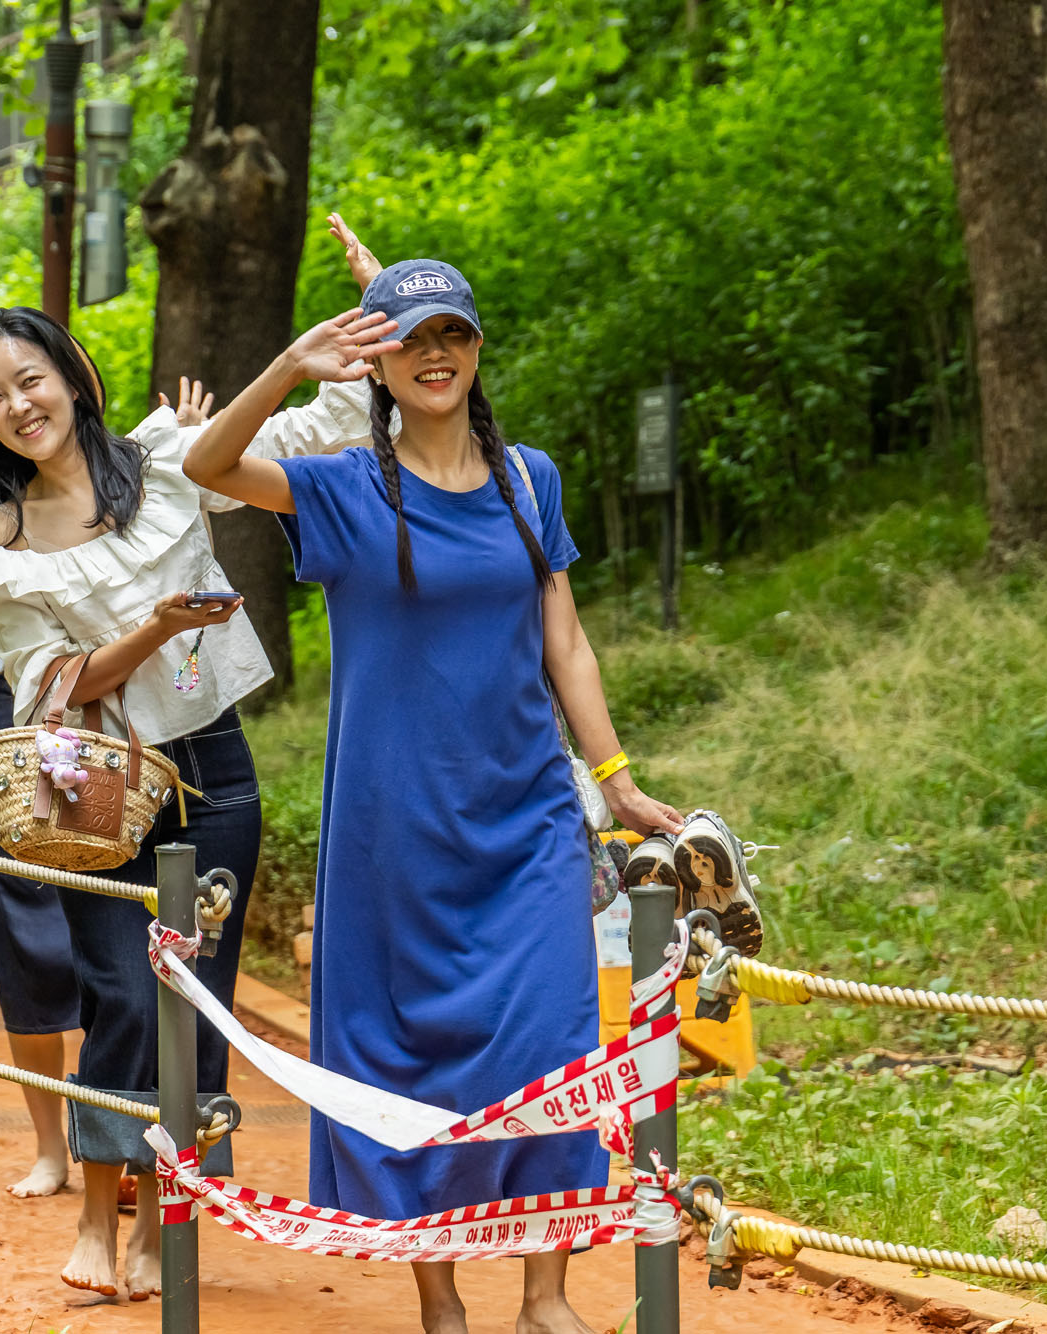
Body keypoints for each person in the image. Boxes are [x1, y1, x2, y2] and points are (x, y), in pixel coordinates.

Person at [183, 256, 688, 1334]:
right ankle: (440, 1297)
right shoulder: (338, 486)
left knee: (547, 1041)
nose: (434, 356)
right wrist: (288, 365)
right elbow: (206, 460)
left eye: (450, 335)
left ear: (475, 348)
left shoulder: (528, 479)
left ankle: (544, 1294)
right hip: (390, 830)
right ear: (379, 360)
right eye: (409, 339)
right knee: (402, 1052)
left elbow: (564, 639)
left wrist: (616, 779)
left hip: (525, 819)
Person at [0, 310, 378, 1300]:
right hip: (80, 772)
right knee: (117, 990)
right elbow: (53, 681)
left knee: (195, 1003)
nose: (19, 406)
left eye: (31, 379)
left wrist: (368, 318)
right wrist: (152, 628)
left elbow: (322, 432)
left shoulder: (168, 462)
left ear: (72, 374)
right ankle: (100, 1214)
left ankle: (164, 1223)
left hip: (211, 766)